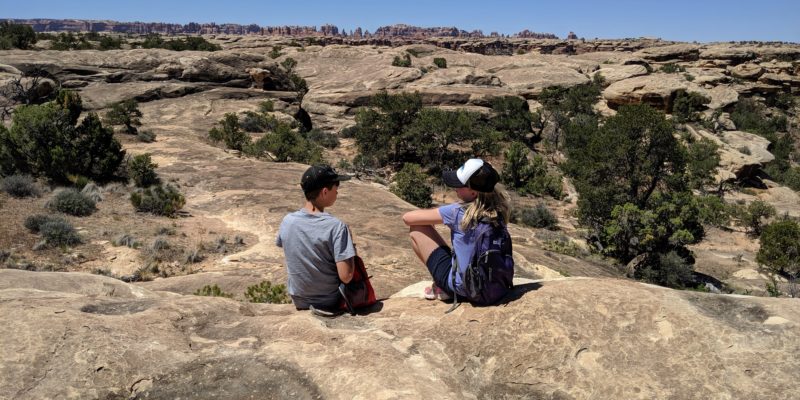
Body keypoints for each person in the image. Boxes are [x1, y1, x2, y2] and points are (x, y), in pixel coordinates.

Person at [402, 158, 510, 301]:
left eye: (459, 185)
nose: (455, 188)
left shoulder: (457, 212)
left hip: (463, 288)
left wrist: (435, 218)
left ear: (473, 192)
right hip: (495, 286)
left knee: (417, 228)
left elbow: (407, 218)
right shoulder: (499, 210)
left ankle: (443, 287)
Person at [276, 164, 356, 311]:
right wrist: (350, 245)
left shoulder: (287, 221)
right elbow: (347, 276)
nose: (337, 193)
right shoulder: (336, 226)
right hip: (330, 301)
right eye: (335, 189)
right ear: (325, 192)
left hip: (299, 300)